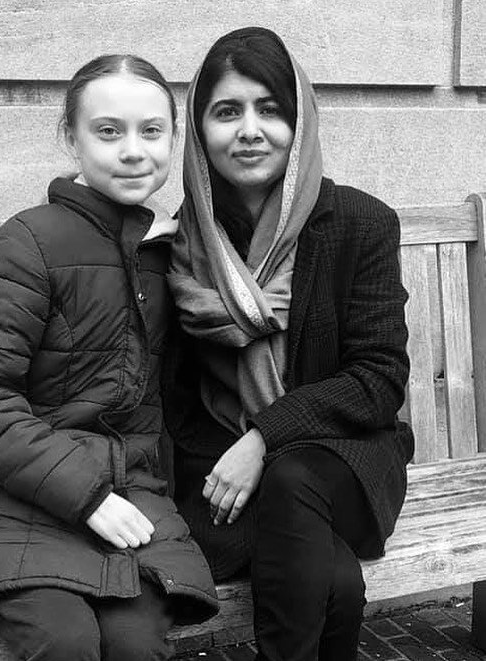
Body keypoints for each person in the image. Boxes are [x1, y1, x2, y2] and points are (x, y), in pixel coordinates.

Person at [0, 54, 218, 661]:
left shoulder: (168, 255)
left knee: (136, 645)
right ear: (71, 138)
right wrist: (88, 497)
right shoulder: (29, 240)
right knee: (65, 642)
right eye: (108, 131)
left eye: (152, 131)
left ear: (174, 139)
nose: (133, 150)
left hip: (134, 502)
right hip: (20, 503)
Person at [164, 27, 415, 661]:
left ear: (298, 120)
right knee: (335, 579)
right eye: (227, 111)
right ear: (198, 131)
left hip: (344, 457)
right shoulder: (177, 245)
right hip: (219, 472)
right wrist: (240, 452)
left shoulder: (360, 224)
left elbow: (378, 379)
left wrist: (264, 437)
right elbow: (168, 395)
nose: (249, 130)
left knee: (295, 476)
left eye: (269, 109)